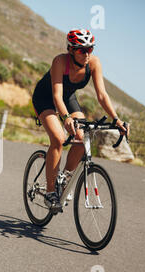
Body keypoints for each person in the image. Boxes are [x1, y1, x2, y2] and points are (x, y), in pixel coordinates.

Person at [32, 29, 128, 210]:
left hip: (68, 98)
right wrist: (66, 118)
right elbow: (56, 96)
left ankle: (64, 178)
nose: (87, 54)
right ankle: (51, 192)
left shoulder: (93, 63)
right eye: (82, 50)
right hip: (46, 98)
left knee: (82, 137)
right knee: (59, 139)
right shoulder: (60, 61)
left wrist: (116, 119)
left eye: (90, 49)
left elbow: (102, 95)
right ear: (71, 49)